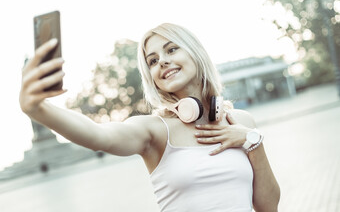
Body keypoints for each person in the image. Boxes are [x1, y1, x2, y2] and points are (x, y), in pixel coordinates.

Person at [20, 23, 280, 212]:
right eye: (153, 60)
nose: (163, 62)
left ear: (195, 53)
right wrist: (38, 109)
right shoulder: (154, 130)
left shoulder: (242, 123)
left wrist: (251, 141)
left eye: (172, 49)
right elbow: (100, 136)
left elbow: (268, 207)